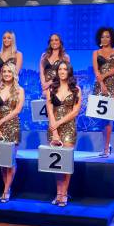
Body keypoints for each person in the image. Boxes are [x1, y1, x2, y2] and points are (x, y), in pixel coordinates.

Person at [46, 61, 82, 207]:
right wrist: (54, 131)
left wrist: (59, 123)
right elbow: (50, 110)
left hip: (68, 128)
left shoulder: (76, 89)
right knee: (57, 165)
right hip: (53, 129)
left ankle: (64, 194)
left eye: (65, 69)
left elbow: (75, 111)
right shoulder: (51, 89)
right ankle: (58, 193)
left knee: (66, 163)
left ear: (69, 71)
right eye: (60, 69)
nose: (62, 71)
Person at [0, 62, 25, 203]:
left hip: (12, 127)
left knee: (10, 161)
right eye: (4, 71)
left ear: (14, 73)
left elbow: (17, 110)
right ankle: (6, 186)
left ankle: (6, 190)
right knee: (2, 161)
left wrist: (2, 121)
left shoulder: (19, 90)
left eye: (9, 71)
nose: (6, 74)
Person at [92, 27, 114, 157]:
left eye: (107, 36)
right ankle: (106, 145)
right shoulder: (96, 53)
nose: (105, 39)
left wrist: (104, 77)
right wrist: (101, 84)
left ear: (111, 38)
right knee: (101, 119)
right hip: (99, 86)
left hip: (112, 86)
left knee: (108, 118)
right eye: (102, 36)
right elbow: (96, 70)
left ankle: (106, 148)